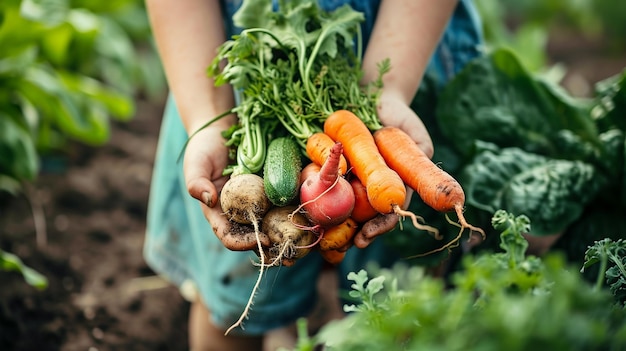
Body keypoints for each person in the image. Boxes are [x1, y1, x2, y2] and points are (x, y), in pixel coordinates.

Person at [143, 0, 483, 350]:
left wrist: (391, 89)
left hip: (407, 46)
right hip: (223, 78)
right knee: (233, 306)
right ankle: (277, 331)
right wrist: (206, 116)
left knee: (399, 299)